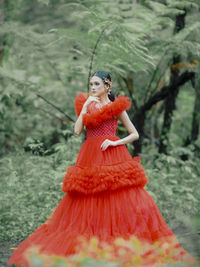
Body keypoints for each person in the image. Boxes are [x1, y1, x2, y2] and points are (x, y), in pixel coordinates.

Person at [8, 70, 198, 267]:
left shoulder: (116, 108)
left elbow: (134, 134)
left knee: (116, 197)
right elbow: (76, 131)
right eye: (91, 84)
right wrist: (83, 111)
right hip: (90, 156)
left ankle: (120, 247)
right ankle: (88, 246)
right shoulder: (87, 104)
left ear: (107, 86)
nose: (92, 87)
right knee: (87, 198)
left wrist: (115, 143)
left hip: (112, 154)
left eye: (96, 84)